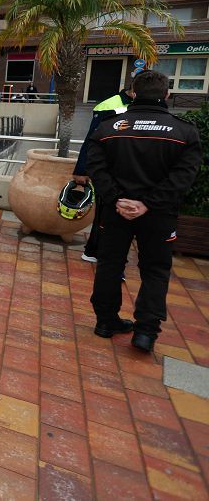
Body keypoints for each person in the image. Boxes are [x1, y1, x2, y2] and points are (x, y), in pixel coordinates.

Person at [86, 70, 201, 353]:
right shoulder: (184, 132)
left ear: (133, 93)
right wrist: (147, 204)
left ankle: (105, 321)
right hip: (159, 215)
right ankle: (146, 333)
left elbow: (96, 169)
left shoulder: (108, 128)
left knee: (110, 263)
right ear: (167, 95)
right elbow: (183, 178)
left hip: (116, 211)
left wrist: (118, 200)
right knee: (155, 270)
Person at [73, 80, 136, 263]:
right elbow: (92, 140)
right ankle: (100, 253)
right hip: (110, 172)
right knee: (107, 215)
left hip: (129, 170)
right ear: (134, 91)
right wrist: (81, 169)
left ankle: (97, 250)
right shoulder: (109, 106)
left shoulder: (143, 107)